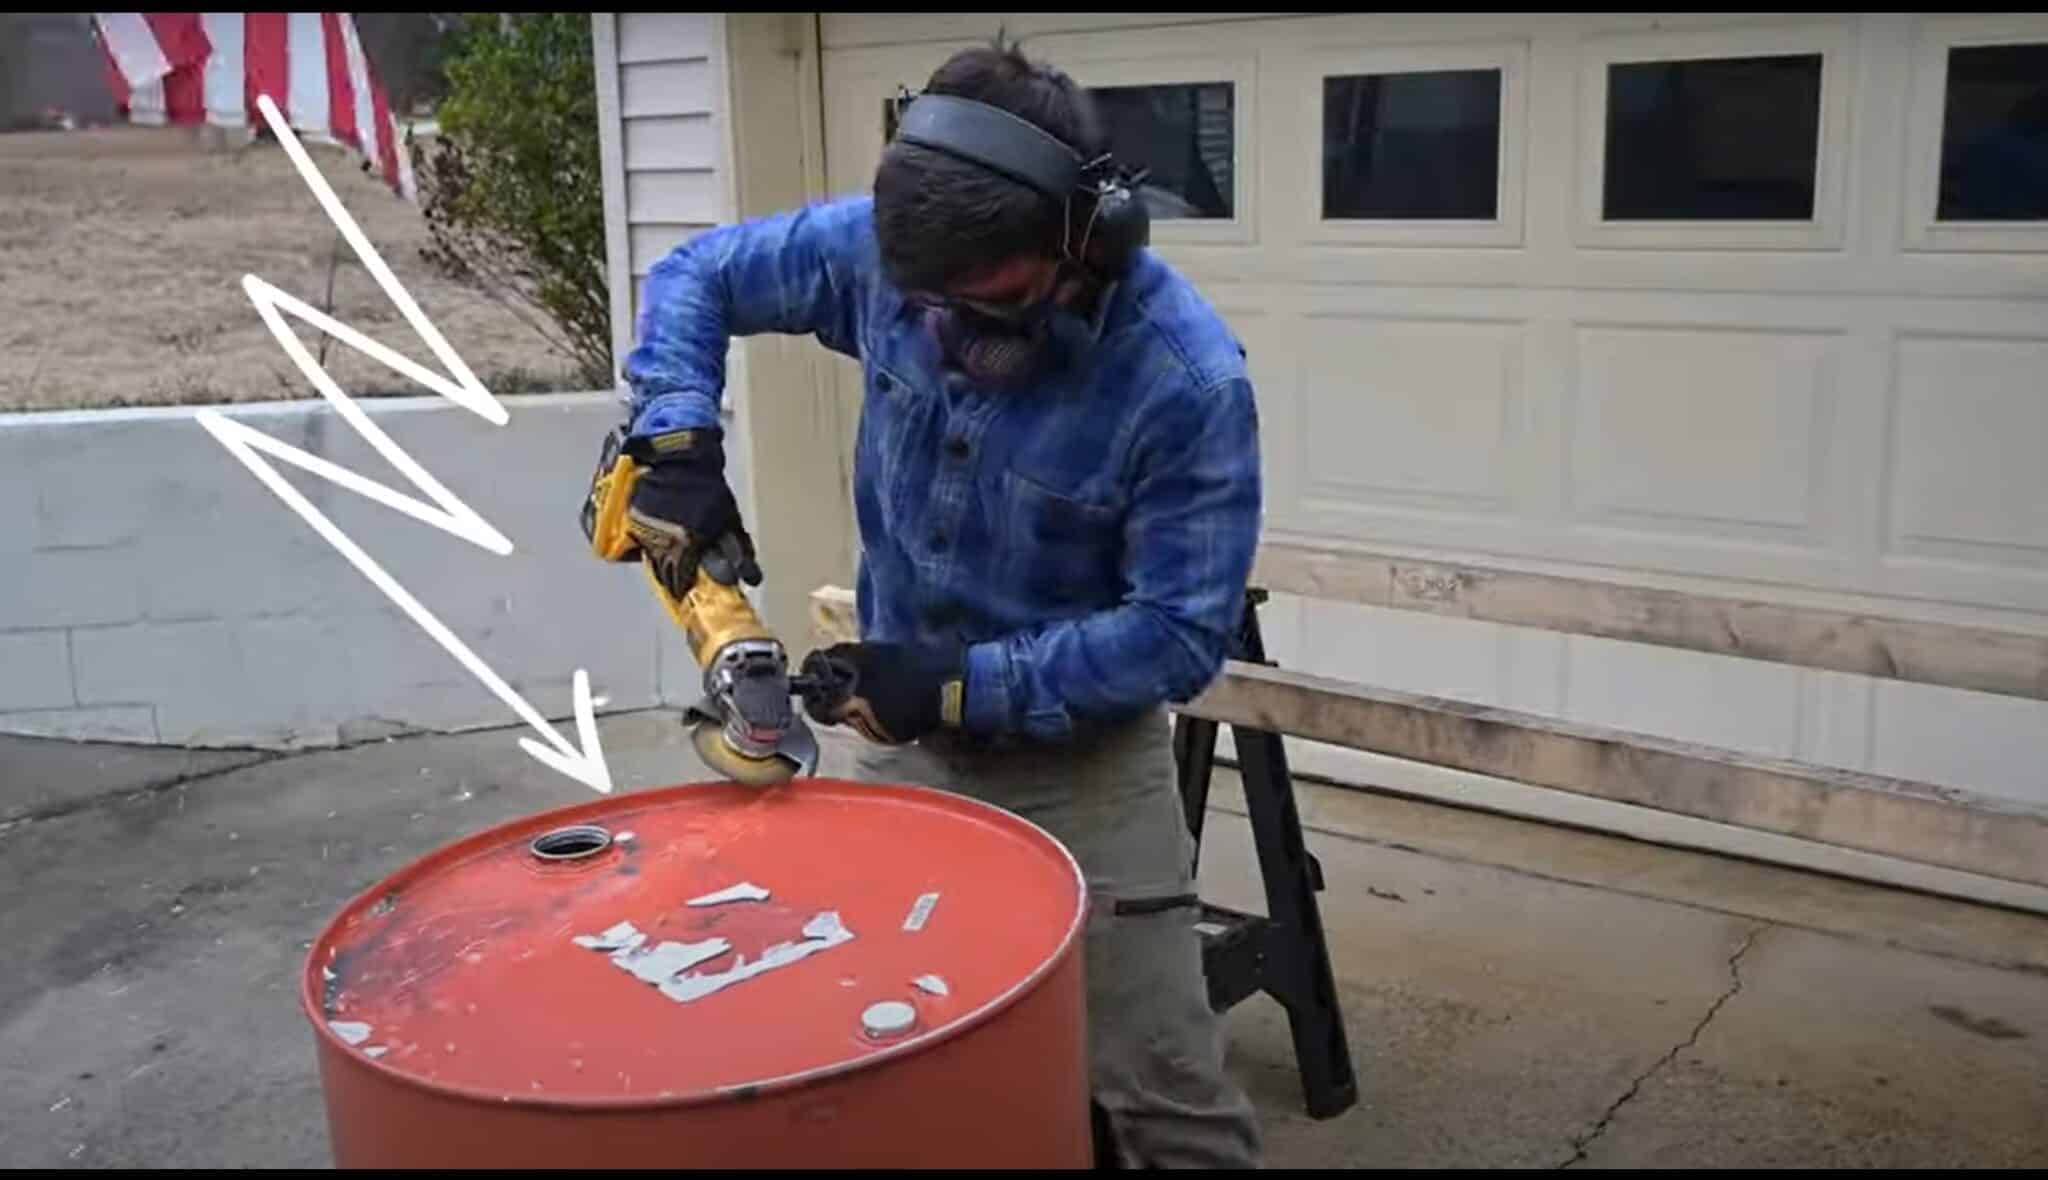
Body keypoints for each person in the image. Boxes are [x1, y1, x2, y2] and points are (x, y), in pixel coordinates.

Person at [613, 37, 1265, 1168]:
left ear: (1088, 237)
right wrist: (676, 432)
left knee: (1163, 1095)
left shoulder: (1184, 379)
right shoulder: (886, 259)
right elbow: (699, 272)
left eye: (997, 301)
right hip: (903, 745)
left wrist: (965, 683)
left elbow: (1178, 633)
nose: (953, 338)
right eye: (929, 305)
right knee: (897, 1040)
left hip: (1084, 772)